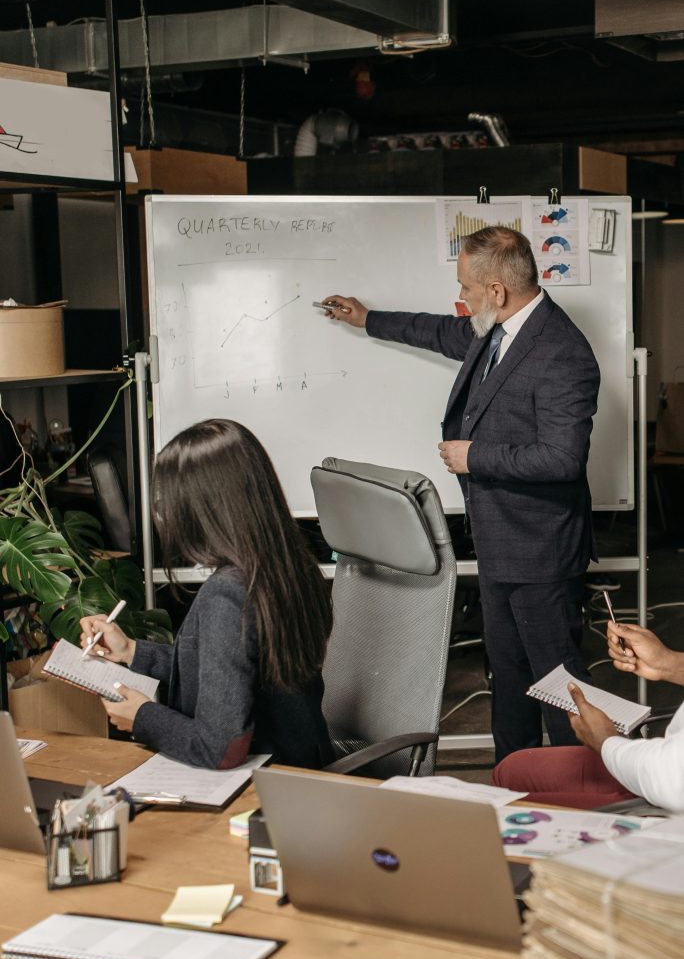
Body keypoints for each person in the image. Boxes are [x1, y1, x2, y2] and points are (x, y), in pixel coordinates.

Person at [322, 226, 600, 761]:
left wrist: (474, 456)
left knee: (560, 684)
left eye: (467, 288)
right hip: (500, 543)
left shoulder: (562, 351)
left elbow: (564, 459)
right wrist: (367, 319)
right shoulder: (495, 328)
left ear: (496, 290)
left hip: (541, 551)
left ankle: (583, 784)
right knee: (511, 682)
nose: (462, 298)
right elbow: (438, 331)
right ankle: (513, 781)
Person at [79, 418, 334, 770]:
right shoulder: (288, 564)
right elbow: (232, 668)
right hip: (303, 764)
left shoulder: (228, 594)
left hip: (266, 786)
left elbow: (221, 748)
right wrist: (132, 651)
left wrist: (142, 717)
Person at [492, 621, 684, 812]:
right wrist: (671, 665)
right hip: (666, 765)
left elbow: (671, 782)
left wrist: (605, 741)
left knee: (504, 810)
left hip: (666, 799)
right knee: (509, 770)